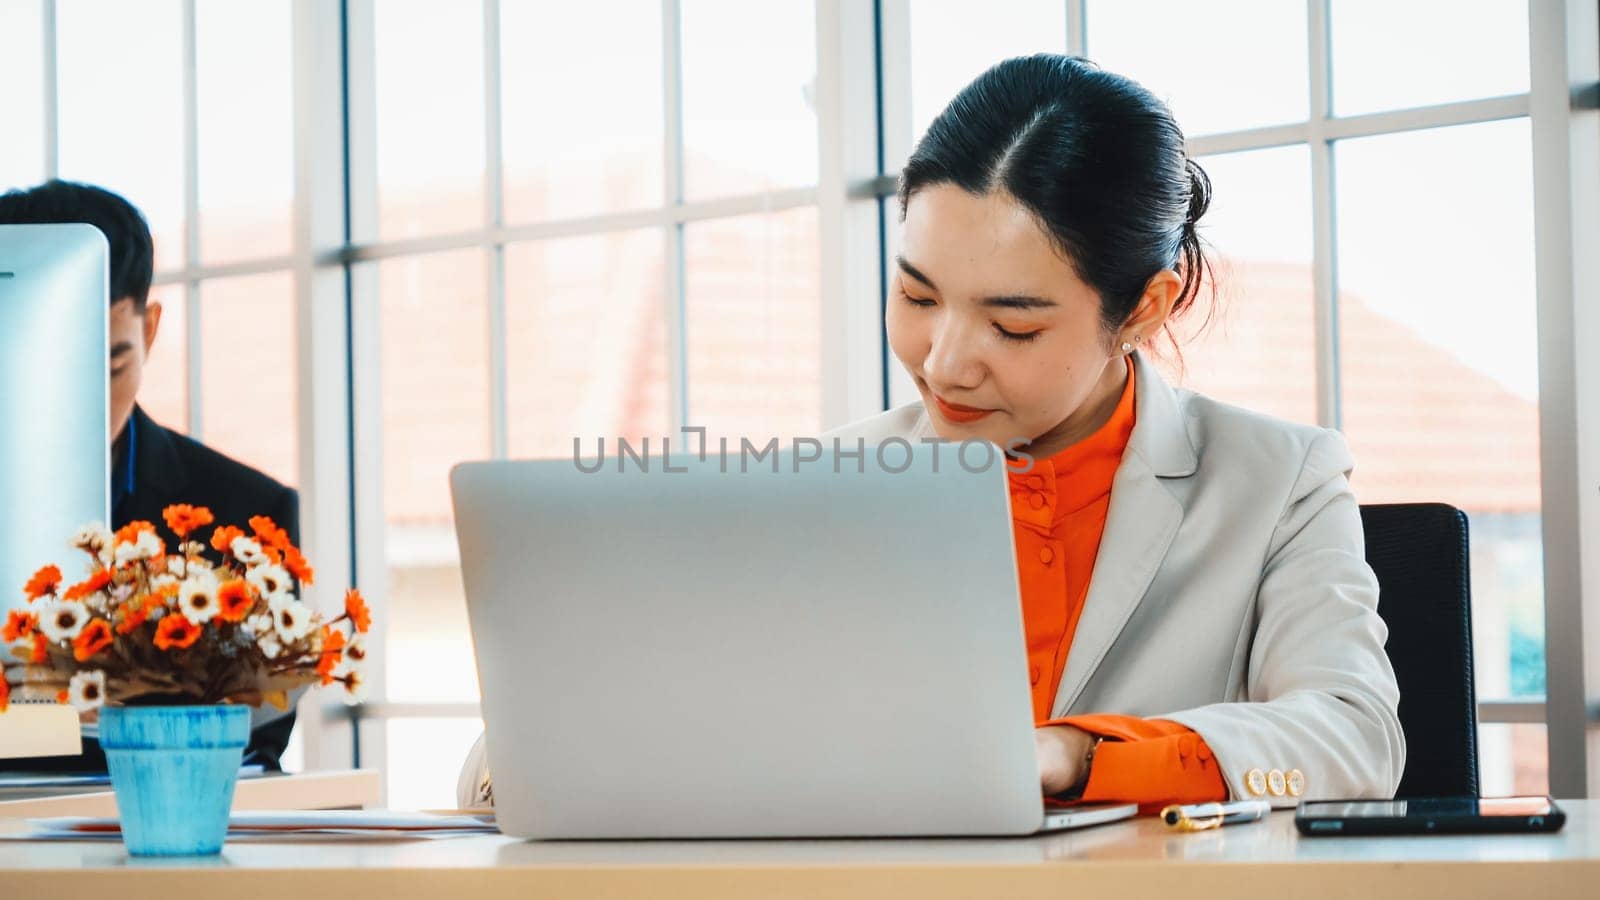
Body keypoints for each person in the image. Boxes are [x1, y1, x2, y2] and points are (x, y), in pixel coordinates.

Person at [458, 54, 1403, 810]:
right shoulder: (817, 482)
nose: (945, 362)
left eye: (1014, 324)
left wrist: (1076, 757)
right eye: (916, 295)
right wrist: (558, 751)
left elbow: (1356, 740)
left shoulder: (1279, 480)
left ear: (1147, 306)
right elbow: (500, 767)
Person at [0, 180, 299, 771]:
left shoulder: (244, 512)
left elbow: (257, 741)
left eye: (110, 363)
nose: (78, 403)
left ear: (151, 329)